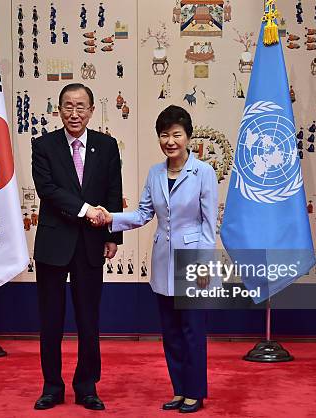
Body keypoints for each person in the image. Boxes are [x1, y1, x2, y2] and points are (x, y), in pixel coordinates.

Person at [97, 105, 217, 413]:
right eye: (164, 135)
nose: (170, 141)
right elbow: (143, 214)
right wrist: (111, 219)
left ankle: (195, 392)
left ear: (188, 137)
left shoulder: (204, 172)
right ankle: (179, 390)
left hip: (192, 262)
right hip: (163, 261)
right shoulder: (155, 173)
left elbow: (208, 224)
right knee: (171, 334)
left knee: (193, 331)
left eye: (177, 134)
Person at [31, 83, 123, 411]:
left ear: (92, 110)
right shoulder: (44, 146)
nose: (75, 113)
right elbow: (48, 190)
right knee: (51, 320)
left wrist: (113, 235)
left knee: (88, 320)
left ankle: (87, 386)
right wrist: (86, 210)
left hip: (91, 244)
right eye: (68, 106)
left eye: (81, 106)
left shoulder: (107, 146)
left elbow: (113, 190)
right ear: (59, 110)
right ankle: (51, 387)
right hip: (54, 245)